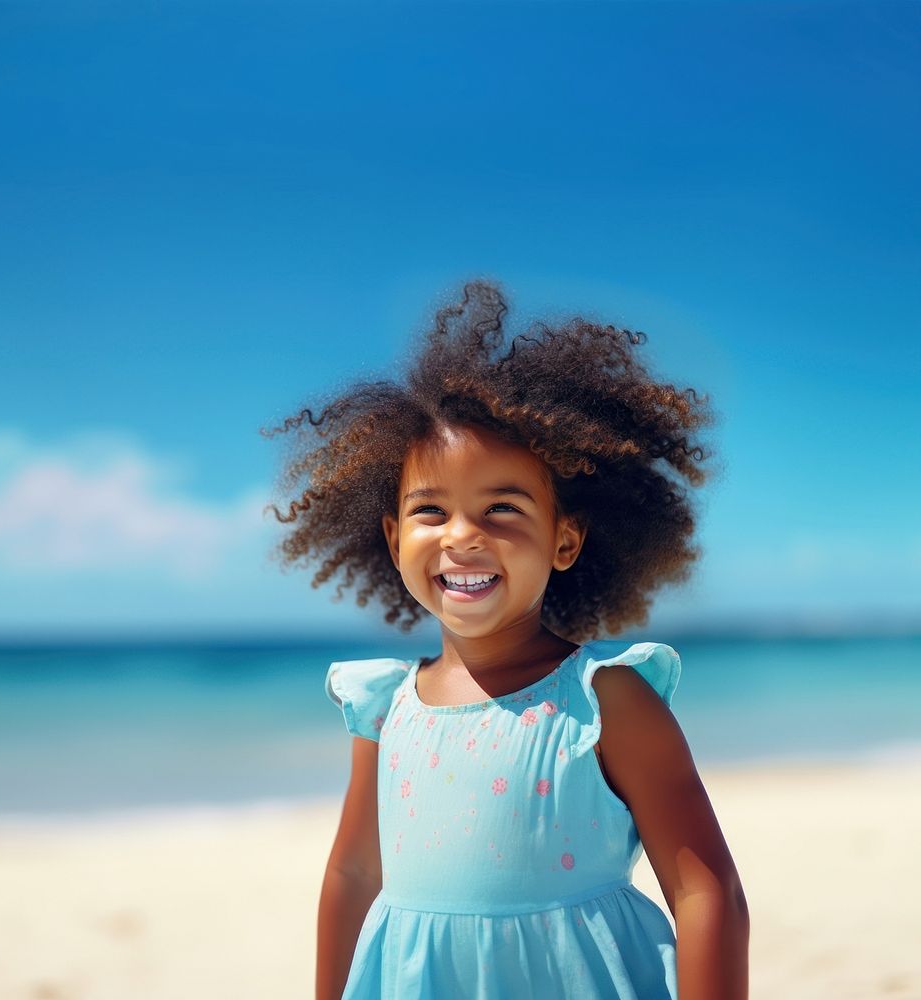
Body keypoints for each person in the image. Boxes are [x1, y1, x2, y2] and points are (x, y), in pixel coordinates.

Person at [267, 280, 749, 999]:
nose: (463, 536)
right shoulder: (386, 708)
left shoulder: (604, 700)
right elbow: (354, 874)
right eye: (431, 510)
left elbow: (706, 890)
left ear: (564, 539)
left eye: (502, 508)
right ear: (395, 538)